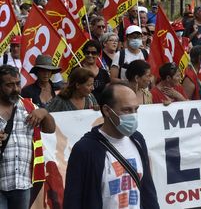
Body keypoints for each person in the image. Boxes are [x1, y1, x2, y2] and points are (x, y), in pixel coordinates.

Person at [63, 84, 160, 209]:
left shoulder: (137, 139)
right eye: (126, 110)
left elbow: (147, 187)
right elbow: (73, 199)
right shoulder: (85, 149)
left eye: (136, 109)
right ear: (107, 110)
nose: (133, 115)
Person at [0, 65, 56, 209]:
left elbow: (50, 129)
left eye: (18, 83)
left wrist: (44, 112)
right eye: (9, 85)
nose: (16, 89)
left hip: (22, 183)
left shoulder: (29, 107)